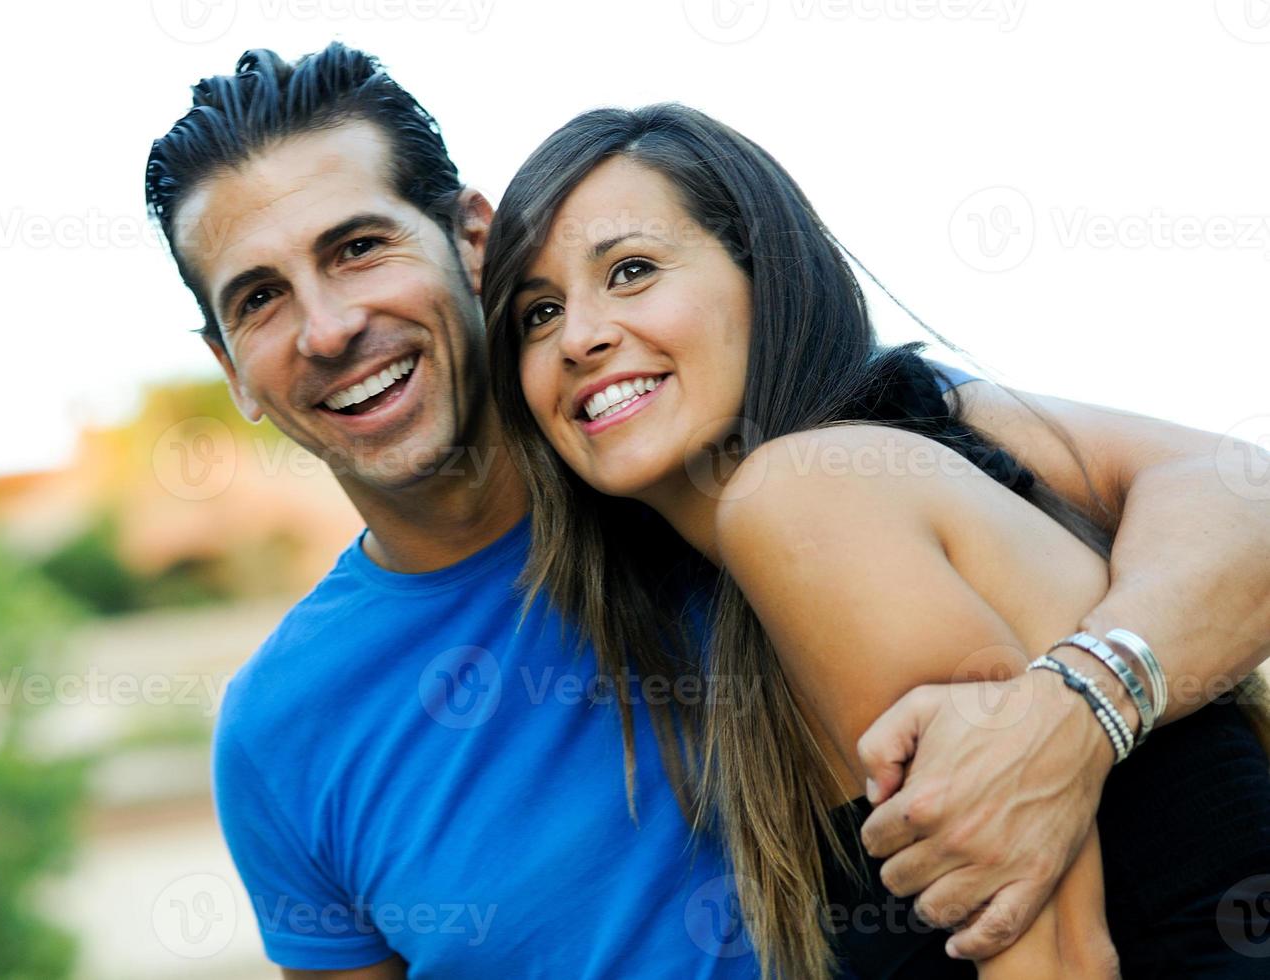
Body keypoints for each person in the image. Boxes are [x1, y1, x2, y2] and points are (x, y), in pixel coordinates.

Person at [144, 44, 1270, 977]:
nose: (330, 324)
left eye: (358, 245)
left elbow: (1240, 496)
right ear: (230, 366)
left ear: (473, 240)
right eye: (260, 296)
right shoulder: (281, 735)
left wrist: (1080, 708)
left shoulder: (799, 472)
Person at [481, 101, 1270, 978]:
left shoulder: (808, 499)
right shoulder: (820, 525)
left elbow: (1059, 960)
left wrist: (1084, 706)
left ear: (762, 272)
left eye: (631, 270)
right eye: (537, 313)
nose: (580, 336)